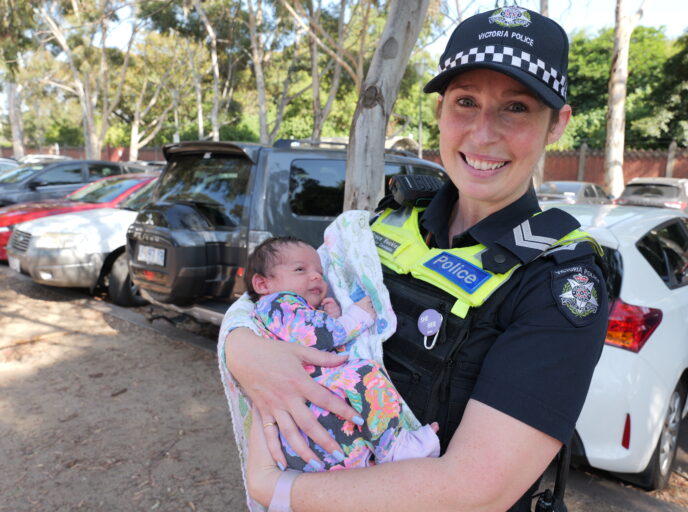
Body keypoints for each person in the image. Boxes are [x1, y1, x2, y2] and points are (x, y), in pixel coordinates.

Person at [223, 6, 609, 511]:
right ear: (440, 110)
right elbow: (281, 309)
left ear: (556, 123)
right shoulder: (386, 224)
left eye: (515, 108)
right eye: (465, 102)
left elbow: (474, 492)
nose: (483, 133)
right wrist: (242, 348)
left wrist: (276, 489)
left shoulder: (558, 281)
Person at [236, 235, 440, 474]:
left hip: (311, 425)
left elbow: (308, 334)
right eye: (300, 269)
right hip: (309, 403)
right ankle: (393, 446)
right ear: (262, 284)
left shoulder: (280, 311)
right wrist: (354, 318)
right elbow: (315, 337)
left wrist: (328, 318)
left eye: (320, 273)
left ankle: (368, 460)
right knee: (364, 373)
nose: (315, 276)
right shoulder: (277, 302)